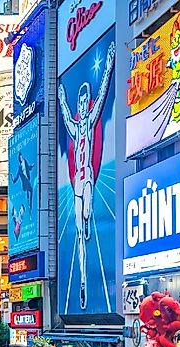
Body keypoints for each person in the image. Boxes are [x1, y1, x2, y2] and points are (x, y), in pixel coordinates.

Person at [57, 40, 115, 309]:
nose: (82, 105)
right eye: (79, 101)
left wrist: (110, 65)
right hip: (77, 182)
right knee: (79, 232)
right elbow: (66, 116)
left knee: (87, 215)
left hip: (87, 175)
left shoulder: (90, 122)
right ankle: (81, 282)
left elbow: (103, 95)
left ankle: (88, 220)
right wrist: (60, 98)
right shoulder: (74, 125)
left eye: (83, 100)